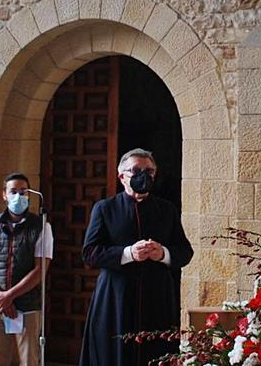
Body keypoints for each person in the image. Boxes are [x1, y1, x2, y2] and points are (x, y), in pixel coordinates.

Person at [79, 149, 194, 366]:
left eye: (149, 171)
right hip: (116, 297)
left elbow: (184, 251)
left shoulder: (166, 209)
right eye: (136, 171)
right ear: (122, 176)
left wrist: (163, 254)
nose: (144, 176)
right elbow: (90, 252)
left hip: (157, 297)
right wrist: (127, 253)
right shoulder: (105, 208)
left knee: (156, 353)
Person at [0, 173, 53, 366]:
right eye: (13, 191)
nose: (18, 196)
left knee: (29, 360)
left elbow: (40, 269)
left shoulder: (41, 226)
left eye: (23, 192)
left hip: (27, 306)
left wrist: (10, 295)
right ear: (4, 195)